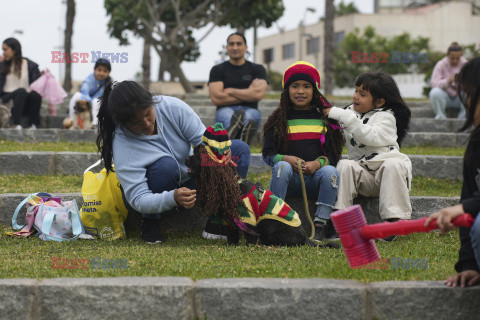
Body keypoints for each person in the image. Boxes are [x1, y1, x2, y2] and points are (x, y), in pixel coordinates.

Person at [96, 80, 250, 244]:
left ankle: (218, 220)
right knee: (166, 166)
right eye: (136, 122)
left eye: (148, 113)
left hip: (190, 182)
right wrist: (173, 198)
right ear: (123, 124)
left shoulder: (173, 108)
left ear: (151, 103)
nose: (147, 124)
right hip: (154, 192)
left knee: (239, 150)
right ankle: (150, 222)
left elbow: (203, 143)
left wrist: (219, 152)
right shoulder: (122, 143)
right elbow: (139, 199)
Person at [324, 71, 412, 242]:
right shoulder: (350, 113)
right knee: (345, 165)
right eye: (356, 91)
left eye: (362, 94)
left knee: (393, 164)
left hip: (388, 177)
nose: (355, 96)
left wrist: (342, 115)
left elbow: (368, 135)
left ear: (379, 102)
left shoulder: (387, 117)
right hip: (363, 176)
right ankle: (339, 220)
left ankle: (394, 221)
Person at [262, 61, 344, 242]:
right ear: (286, 90)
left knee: (330, 172)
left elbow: (334, 155)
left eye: (307, 86)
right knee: (281, 166)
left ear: (315, 90)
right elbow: (267, 155)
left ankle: (321, 224)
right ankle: (274, 221)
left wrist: (318, 164)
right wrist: (286, 158)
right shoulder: (278, 120)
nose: (300, 91)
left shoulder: (325, 119)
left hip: (316, 180)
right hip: (290, 179)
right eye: (295, 86)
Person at [424, 57, 480, 287]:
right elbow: (469, 198)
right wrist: (470, 265)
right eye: (464, 95)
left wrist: (466, 208)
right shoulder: (476, 143)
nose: (466, 103)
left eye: (471, 95)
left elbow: (469, 205)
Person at [208, 32, 268, 145]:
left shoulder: (258, 69)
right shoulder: (217, 70)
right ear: (227, 47)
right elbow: (216, 99)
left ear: (245, 47)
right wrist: (249, 94)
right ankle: (241, 140)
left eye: (239, 44)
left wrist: (231, 91)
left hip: (250, 109)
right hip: (225, 109)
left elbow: (258, 95)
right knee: (228, 117)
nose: (235, 47)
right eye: (231, 44)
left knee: (249, 118)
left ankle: (231, 139)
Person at [0, 38, 41, 129]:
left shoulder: (31, 65)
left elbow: (37, 84)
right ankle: (16, 124)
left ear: (14, 49)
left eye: (5, 49)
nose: (3, 53)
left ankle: (32, 125)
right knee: (21, 91)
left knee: (35, 95)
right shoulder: (1, 66)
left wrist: (44, 76)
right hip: (7, 101)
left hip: (24, 101)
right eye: (3, 50)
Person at [429, 42, 468, 119]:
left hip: (460, 99)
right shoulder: (440, 64)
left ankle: (463, 117)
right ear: (447, 55)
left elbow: (473, 84)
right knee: (435, 92)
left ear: (461, 56)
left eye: (458, 58)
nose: (455, 61)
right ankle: (440, 116)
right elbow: (433, 83)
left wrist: (461, 82)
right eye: (452, 58)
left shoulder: (466, 64)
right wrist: (447, 81)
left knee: (471, 92)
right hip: (445, 98)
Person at [69, 58, 111, 127]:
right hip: (87, 102)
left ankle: (95, 124)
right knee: (77, 95)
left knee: (96, 101)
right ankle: (72, 120)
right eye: (99, 70)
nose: (101, 73)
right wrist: (88, 103)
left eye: (105, 71)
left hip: (99, 107)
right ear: (95, 70)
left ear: (108, 73)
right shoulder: (89, 79)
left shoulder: (109, 83)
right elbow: (84, 91)